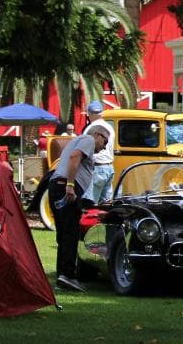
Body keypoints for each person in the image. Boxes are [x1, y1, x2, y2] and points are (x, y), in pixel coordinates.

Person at [48, 123, 109, 292]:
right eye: (105, 143)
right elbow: (75, 157)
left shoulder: (78, 140)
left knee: (63, 234)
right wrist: (70, 186)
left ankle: (62, 276)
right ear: (98, 135)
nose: (103, 149)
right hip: (65, 188)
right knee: (71, 232)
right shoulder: (88, 139)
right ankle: (68, 275)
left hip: (57, 186)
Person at [84, 101, 115, 204]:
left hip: (97, 167)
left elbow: (84, 149)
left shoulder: (91, 128)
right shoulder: (110, 127)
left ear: (89, 114)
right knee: (106, 204)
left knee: (91, 203)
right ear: (101, 113)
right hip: (109, 167)